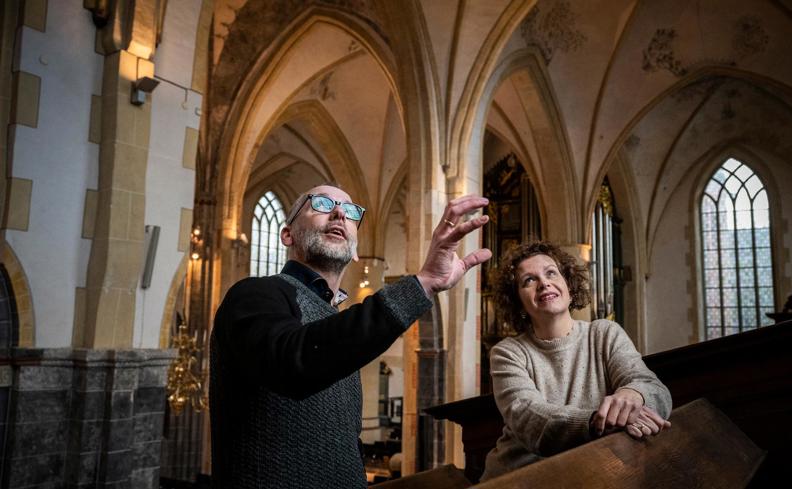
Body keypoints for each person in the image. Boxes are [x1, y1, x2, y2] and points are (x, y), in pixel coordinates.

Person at [209, 183, 491, 489]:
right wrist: (422, 284)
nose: (340, 213)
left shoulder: (337, 322)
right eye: (320, 203)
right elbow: (294, 362)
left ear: (355, 250)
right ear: (287, 234)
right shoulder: (256, 293)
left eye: (351, 210)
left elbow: (345, 443)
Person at [481, 241, 672, 481]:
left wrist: (634, 396)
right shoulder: (508, 352)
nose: (544, 283)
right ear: (518, 302)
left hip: (590, 470)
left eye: (551, 273)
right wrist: (599, 422)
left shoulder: (605, 333)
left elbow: (655, 390)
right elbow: (530, 420)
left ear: (569, 285)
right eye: (529, 280)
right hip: (520, 477)